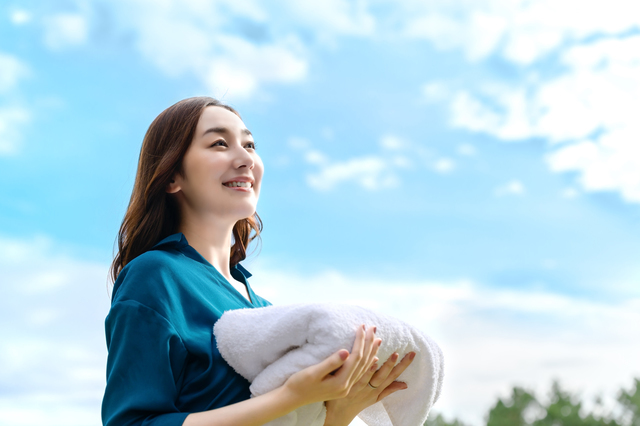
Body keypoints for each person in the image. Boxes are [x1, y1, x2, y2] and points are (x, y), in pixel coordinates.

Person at [102, 96, 414, 426]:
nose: (245, 158)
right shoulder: (155, 276)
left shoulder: (263, 309)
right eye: (219, 143)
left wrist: (338, 412)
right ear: (171, 177)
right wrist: (290, 396)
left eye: (250, 145)